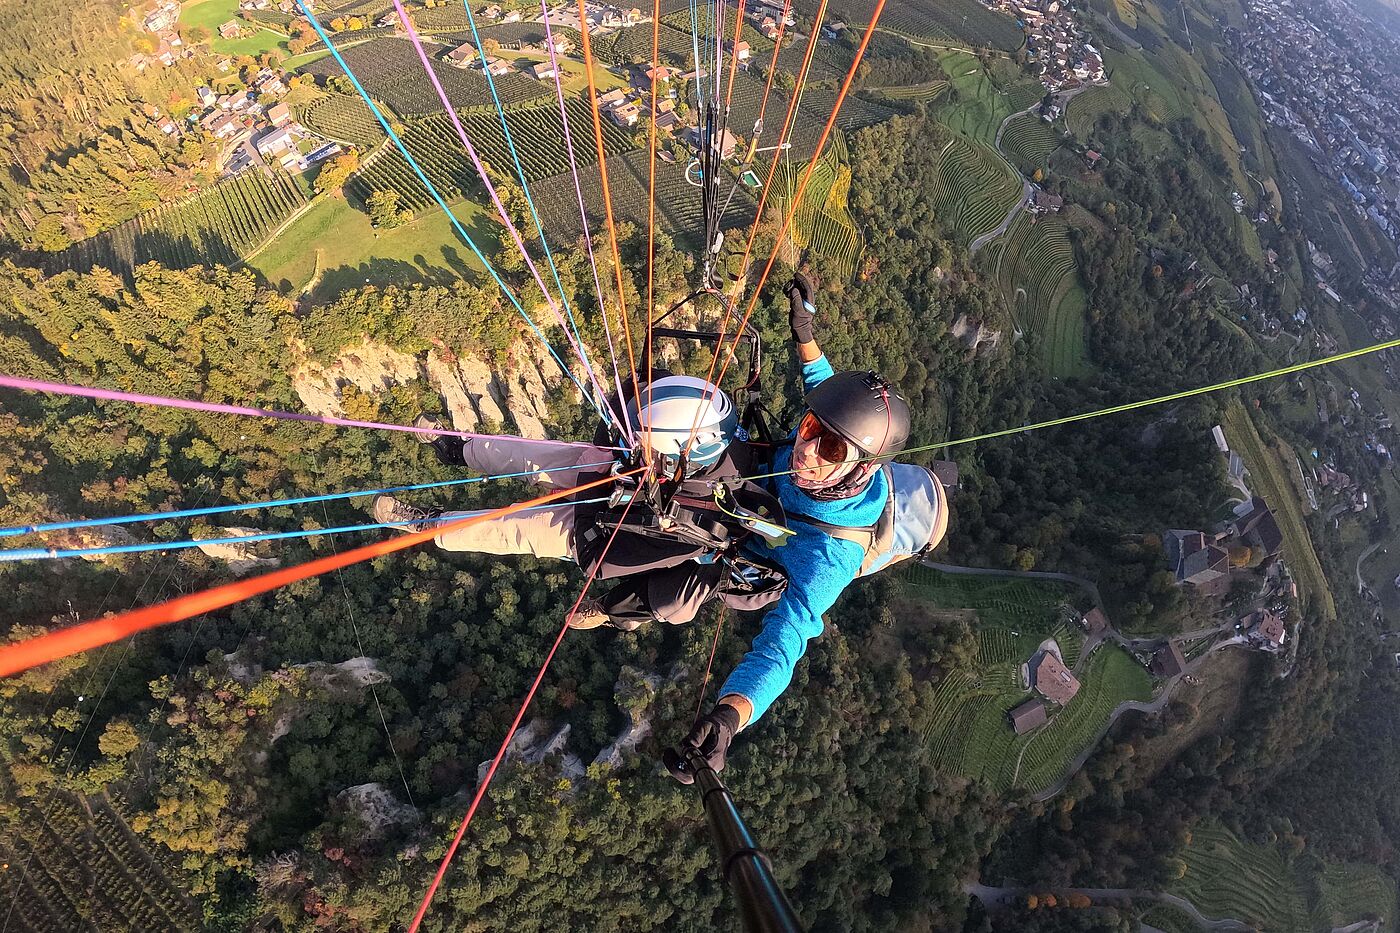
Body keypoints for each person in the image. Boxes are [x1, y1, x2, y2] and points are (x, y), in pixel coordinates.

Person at [664, 273, 950, 783]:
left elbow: (783, 645)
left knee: (672, 591)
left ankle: (614, 606)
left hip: (755, 540)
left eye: (830, 449)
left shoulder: (829, 560)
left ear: (859, 468)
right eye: (812, 430)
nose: (808, 447)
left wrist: (729, 717)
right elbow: (824, 391)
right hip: (753, 483)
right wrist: (804, 330)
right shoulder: (837, 440)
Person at [371, 374, 789, 630]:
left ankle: (427, 524)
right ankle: (458, 448)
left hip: (600, 529)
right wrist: (614, 447)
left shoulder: (693, 531)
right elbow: (634, 400)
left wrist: (596, 477)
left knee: (513, 527)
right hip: (618, 472)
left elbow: (605, 566)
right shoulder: (724, 439)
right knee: (530, 455)